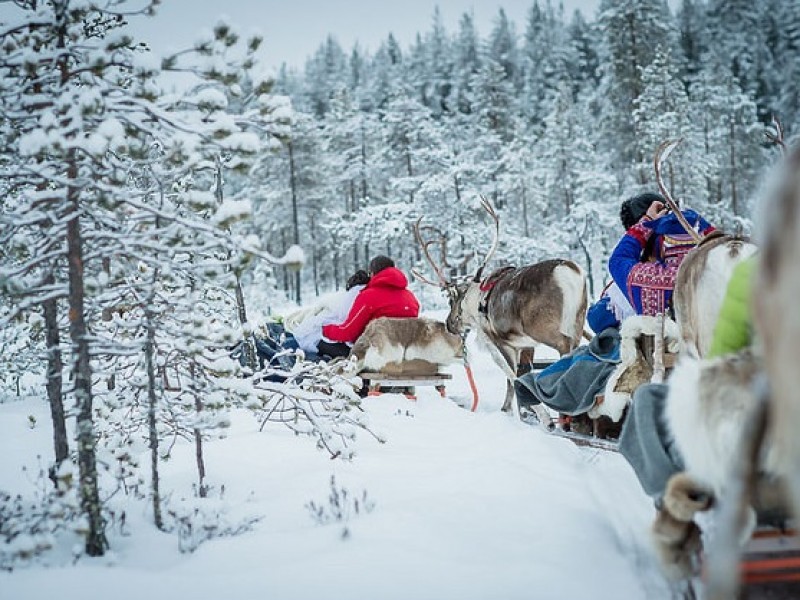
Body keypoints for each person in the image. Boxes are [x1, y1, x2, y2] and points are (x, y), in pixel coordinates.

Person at [515, 193, 713, 420]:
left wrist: (645, 224)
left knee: (597, 348)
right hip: (707, 342)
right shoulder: (713, 267)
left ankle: (536, 388)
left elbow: (600, 315)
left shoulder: (648, 276)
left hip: (658, 349)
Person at [618, 255, 757, 502]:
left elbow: (721, 356)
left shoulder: (755, 270)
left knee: (648, 398)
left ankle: (672, 500)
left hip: (764, 398)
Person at [318, 255, 421, 359]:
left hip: (375, 354)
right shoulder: (410, 296)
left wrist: (325, 329)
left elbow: (348, 332)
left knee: (321, 345)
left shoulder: (368, 296)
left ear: (372, 273)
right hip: (405, 352)